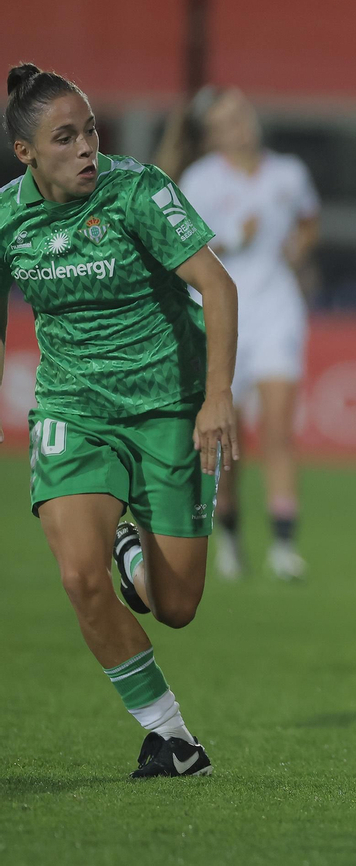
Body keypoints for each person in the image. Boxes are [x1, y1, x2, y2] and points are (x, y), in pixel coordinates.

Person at [1, 63, 240, 777]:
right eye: (65, 137)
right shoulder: (8, 218)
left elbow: (217, 286)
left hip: (170, 409)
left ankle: (132, 545)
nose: (87, 149)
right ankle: (174, 740)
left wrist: (218, 397)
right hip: (75, 409)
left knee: (177, 605)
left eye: (91, 130)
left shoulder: (136, 190)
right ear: (26, 153)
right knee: (79, 578)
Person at [169, 88, 319, 581]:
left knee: (278, 427)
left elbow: (308, 219)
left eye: (243, 113)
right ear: (212, 134)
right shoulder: (200, 180)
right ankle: (230, 538)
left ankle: (283, 546)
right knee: (227, 438)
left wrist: (299, 249)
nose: (241, 124)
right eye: (228, 119)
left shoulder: (289, 173)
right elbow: (181, 244)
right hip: (222, 313)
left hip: (278, 309)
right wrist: (235, 237)